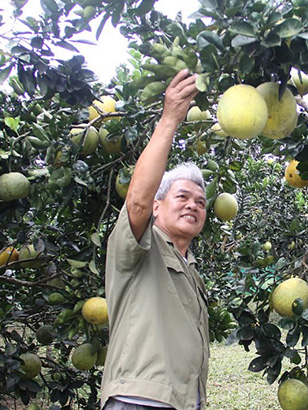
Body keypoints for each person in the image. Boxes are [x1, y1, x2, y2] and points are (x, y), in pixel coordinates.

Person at [101, 70, 210, 410]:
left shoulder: (189, 268)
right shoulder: (139, 247)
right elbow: (136, 200)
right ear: (157, 206)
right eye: (182, 197)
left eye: (201, 202)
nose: (193, 204)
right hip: (139, 400)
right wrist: (169, 120)